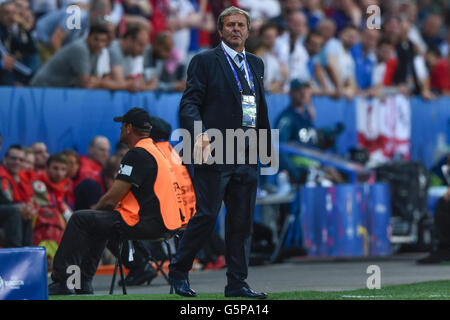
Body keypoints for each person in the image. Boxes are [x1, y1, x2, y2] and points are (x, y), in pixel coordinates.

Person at [169, 6, 271, 299]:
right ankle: (179, 270)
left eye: (241, 25)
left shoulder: (256, 64)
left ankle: (237, 283)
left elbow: (258, 107)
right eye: (230, 25)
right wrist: (197, 137)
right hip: (215, 149)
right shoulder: (204, 61)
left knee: (241, 222)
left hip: (248, 151)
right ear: (221, 30)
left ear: (249, 31)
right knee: (207, 214)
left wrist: (264, 148)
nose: (236, 29)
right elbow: (189, 103)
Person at [48, 107, 193, 295]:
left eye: (121, 127)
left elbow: (112, 198)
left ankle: (65, 282)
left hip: (148, 223)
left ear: (128, 128)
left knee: (80, 219)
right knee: (99, 222)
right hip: (167, 224)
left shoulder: (137, 154)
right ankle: (82, 282)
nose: (120, 131)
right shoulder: (158, 151)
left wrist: (98, 209)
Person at [30, 22, 110, 88]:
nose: (99, 44)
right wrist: (102, 83)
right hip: (42, 87)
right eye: (96, 39)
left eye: (103, 41)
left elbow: (93, 78)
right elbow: (86, 83)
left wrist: (98, 81)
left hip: (57, 89)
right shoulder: (80, 48)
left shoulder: (96, 51)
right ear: (88, 36)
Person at [0, 145, 37, 247]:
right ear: (5, 159)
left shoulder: (18, 178)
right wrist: (21, 208)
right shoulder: (2, 177)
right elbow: (6, 201)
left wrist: (26, 208)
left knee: (27, 212)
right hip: (7, 212)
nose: (17, 162)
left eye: (21, 160)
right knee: (15, 211)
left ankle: (28, 253)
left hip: (8, 211)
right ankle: (16, 252)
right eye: (13, 158)